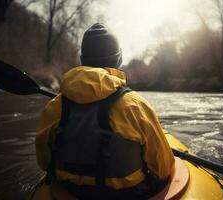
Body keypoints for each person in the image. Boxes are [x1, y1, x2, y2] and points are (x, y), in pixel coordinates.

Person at [36, 23, 174, 200]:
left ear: (82, 60)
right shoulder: (136, 106)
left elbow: (44, 162)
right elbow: (163, 168)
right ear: (118, 60)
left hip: (70, 192)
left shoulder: (54, 107)